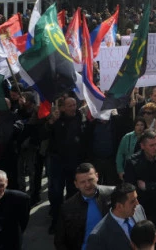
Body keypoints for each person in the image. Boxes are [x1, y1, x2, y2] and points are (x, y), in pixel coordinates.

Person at [123, 130, 156, 250]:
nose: (155, 148)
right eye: (151, 145)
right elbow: (132, 190)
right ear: (142, 146)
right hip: (143, 211)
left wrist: (147, 187)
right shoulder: (132, 163)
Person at [45, 96, 87, 232]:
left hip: (74, 162)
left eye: (74, 105)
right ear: (63, 107)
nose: (73, 108)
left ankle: (70, 219)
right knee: (56, 192)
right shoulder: (57, 119)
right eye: (69, 105)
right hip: (58, 162)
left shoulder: (81, 118)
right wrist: (51, 122)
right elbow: (45, 135)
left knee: (73, 192)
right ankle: (56, 220)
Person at [54, 163, 114, 250]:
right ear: (76, 184)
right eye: (82, 182)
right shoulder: (68, 208)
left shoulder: (113, 195)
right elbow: (59, 241)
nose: (87, 185)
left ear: (97, 176)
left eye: (90, 180)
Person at [85, 183, 147, 250]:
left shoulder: (138, 210)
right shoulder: (98, 236)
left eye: (136, 198)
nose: (137, 203)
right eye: (132, 201)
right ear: (119, 206)